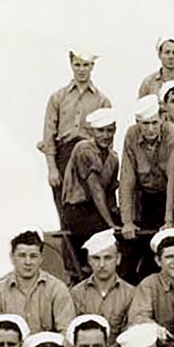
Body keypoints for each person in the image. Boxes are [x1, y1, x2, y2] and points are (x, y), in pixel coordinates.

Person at [40, 48, 111, 219]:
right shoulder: (58, 97)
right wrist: (52, 168)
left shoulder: (102, 100)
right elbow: (48, 134)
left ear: (92, 66)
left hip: (90, 155)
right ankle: (67, 245)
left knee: (91, 205)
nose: (81, 69)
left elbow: (108, 136)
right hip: (64, 154)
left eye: (85, 65)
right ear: (71, 65)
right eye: (77, 64)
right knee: (65, 207)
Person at [59, 109, 121, 280]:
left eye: (110, 130)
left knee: (129, 233)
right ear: (92, 132)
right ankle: (86, 270)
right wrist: (111, 224)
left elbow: (109, 193)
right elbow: (96, 190)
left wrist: (116, 214)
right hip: (78, 210)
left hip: (98, 210)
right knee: (105, 235)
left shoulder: (113, 158)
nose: (106, 135)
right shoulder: (83, 149)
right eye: (101, 131)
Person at [119, 94, 174, 251]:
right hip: (145, 197)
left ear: (163, 119)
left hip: (170, 194)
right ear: (137, 122)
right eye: (145, 124)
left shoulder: (172, 134)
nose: (151, 129)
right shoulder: (131, 135)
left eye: (154, 123)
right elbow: (127, 179)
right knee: (141, 246)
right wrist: (127, 221)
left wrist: (169, 220)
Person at [0, 227, 77, 333]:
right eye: (22, 255)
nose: (28, 262)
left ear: (41, 258)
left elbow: (66, 331)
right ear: (12, 257)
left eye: (33, 256)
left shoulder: (57, 288)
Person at [69, 229, 136, 347]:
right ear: (89, 260)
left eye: (107, 258)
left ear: (118, 259)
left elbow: (130, 334)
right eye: (96, 258)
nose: (101, 265)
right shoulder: (77, 293)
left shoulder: (131, 293)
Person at [130, 229, 174, 333]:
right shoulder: (149, 285)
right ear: (158, 261)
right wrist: (156, 329)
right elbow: (138, 317)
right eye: (169, 257)